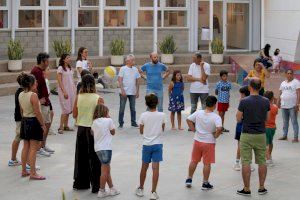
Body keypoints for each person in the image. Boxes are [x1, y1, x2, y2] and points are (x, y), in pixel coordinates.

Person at [236, 78, 270, 196]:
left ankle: (246, 188)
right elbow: (267, 118)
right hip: (261, 134)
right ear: (260, 87)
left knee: (245, 161)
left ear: (250, 87)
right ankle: (261, 187)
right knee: (262, 161)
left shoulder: (244, 101)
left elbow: (238, 118)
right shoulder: (266, 101)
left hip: (246, 133)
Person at [73, 74, 104, 193]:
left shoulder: (78, 97)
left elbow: (74, 115)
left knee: (81, 157)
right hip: (93, 130)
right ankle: (96, 185)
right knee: (95, 158)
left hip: (81, 129)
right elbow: (102, 116)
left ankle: (81, 183)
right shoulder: (98, 98)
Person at [185, 96, 222, 190]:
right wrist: (216, 135)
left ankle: (189, 179)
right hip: (209, 142)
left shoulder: (198, 112)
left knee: (194, 161)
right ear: (214, 105)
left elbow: (188, 120)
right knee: (207, 163)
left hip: (197, 140)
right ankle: (205, 183)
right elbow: (219, 128)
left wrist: (194, 130)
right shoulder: (216, 117)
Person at [135, 94, 166, 200]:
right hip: (157, 144)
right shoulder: (162, 115)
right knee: (155, 168)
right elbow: (162, 128)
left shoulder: (143, 115)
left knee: (144, 167)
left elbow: (141, 131)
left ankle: (141, 188)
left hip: (146, 144)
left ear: (146, 104)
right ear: (157, 103)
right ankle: (153, 192)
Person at [19, 74, 46, 180]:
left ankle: (24, 170)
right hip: (33, 121)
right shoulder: (33, 95)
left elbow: (21, 111)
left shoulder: (20, 94)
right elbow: (37, 112)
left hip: (25, 121)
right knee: (33, 148)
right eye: (35, 82)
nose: (37, 83)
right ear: (30, 84)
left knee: (26, 146)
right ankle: (33, 173)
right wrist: (42, 124)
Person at [91, 105, 120, 198]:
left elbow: (92, 132)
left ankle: (112, 188)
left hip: (98, 149)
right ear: (105, 112)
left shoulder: (94, 122)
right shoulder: (109, 120)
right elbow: (113, 132)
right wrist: (109, 119)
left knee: (107, 169)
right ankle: (102, 190)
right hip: (106, 148)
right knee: (105, 171)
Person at [31, 52, 54, 157]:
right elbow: (33, 87)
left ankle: (43, 145)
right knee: (42, 125)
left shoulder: (41, 71)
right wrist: (38, 100)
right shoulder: (35, 71)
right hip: (42, 103)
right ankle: (38, 148)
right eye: (47, 61)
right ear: (42, 61)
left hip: (46, 101)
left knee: (48, 124)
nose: (48, 63)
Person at [118, 54, 141, 128]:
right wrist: (122, 90)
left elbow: (138, 81)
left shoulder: (135, 69)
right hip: (124, 92)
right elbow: (120, 80)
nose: (134, 61)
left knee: (133, 108)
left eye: (134, 59)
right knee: (122, 108)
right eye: (132, 60)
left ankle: (133, 122)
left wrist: (137, 91)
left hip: (133, 92)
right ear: (128, 61)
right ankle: (121, 123)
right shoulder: (122, 69)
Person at [278, 69, 300, 142]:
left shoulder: (296, 82)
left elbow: (298, 93)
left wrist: (297, 103)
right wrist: (278, 101)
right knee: (285, 121)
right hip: (284, 105)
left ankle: (296, 137)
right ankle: (284, 136)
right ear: (286, 74)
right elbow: (280, 93)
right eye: (288, 73)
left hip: (292, 105)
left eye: (291, 73)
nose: (289, 74)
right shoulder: (283, 83)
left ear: (293, 74)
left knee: (294, 122)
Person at [57, 53, 76, 134]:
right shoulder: (60, 68)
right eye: (68, 58)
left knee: (69, 109)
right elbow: (59, 80)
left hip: (71, 91)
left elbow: (72, 79)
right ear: (63, 59)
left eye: (69, 57)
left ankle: (66, 126)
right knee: (65, 109)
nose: (69, 59)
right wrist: (64, 91)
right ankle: (60, 127)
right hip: (64, 91)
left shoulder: (69, 68)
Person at [8, 74, 24, 167]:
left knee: (18, 138)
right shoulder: (21, 92)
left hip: (19, 117)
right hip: (20, 118)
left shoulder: (19, 91)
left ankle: (13, 159)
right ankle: (13, 159)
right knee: (19, 138)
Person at [233, 86, 250, 171]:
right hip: (244, 124)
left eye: (241, 94)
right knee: (243, 145)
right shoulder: (244, 101)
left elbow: (238, 115)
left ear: (244, 94)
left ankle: (242, 163)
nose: (240, 96)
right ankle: (238, 162)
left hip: (244, 124)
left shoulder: (243, 101)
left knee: (244, 145)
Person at [264, 91, 278, 166]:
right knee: (270, 142)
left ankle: (268, 159)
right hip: (273, 127)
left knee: (265, 144)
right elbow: (276, 113)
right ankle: (270, 155)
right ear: (272, 98)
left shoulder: (264, 106)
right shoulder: (275, 107)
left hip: (265, 127)